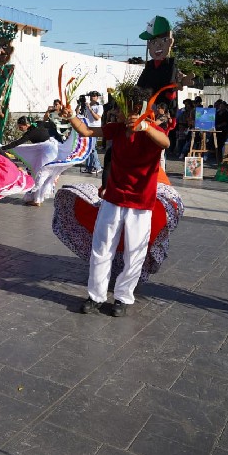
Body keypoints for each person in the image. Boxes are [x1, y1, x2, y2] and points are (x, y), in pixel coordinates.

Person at [60, 86, 171, 317]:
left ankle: (122, 297)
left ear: (134, 108)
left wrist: (145, 127)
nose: (115, 112)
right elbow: (86, 132)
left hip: (140, 203)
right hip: (113, 198)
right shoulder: (117, 129)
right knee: (101, 248)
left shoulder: (152, 129)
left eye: (119, 107)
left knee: (134, 252)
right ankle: (96, 296)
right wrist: (70, 115)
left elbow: (165, 143)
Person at [82, 91, 103, 174]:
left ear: (97, 97)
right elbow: (82, 115)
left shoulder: (99, 106)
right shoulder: (87, 106)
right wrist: (80, 105)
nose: (92, 97)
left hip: (95, 128)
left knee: (93, 148)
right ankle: (89, 167)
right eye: (91, 96)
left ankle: (97, 166)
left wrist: (90, 109)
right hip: (88, 127)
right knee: (88, 148)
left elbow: (97, 117)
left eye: (94, 96)